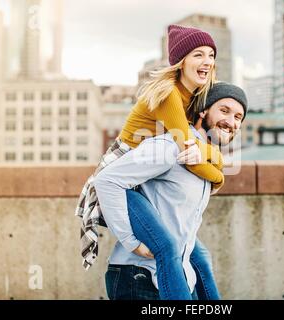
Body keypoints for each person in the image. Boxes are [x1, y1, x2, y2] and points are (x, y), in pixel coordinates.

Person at [75, 24, 230, 299]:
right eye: (198, 54)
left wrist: (212, 157)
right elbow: (189, 154)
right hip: (123, 179)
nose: (207, 61)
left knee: (198, 255)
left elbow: (196, 150)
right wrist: (219, 175)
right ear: (181, 62)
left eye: (210, 54)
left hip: (142, 176)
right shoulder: (170, 94)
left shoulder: (192, 99)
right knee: (167, 247)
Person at [94, 81, 248, 300]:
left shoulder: (205, 161)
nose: (230, 121)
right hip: (139, 279)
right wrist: (131, 241)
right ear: (203, 111)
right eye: (224, 111)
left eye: (238, 117)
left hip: (182, 277)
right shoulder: (171, 146)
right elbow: (107, 180)